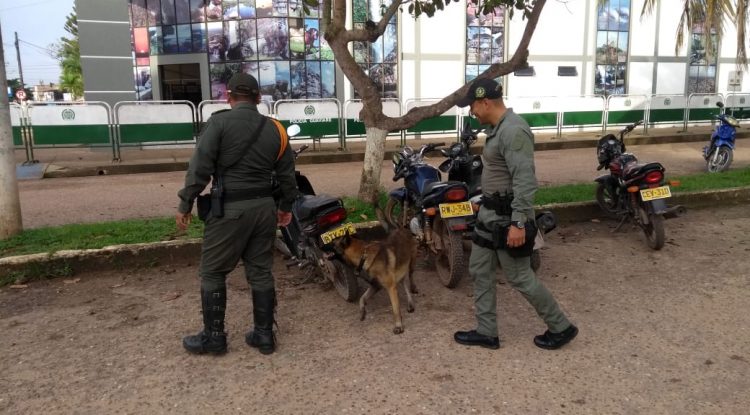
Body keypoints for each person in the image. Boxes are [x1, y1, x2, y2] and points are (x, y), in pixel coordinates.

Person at [176, 73, 299, 356]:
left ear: (228, 97)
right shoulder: (276, 129)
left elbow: (199, 170)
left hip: (229, 210)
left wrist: (185, 204)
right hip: (264, 209)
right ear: (258, 98)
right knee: (260, 271)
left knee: (212, 271)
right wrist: (285, 207)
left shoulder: (218, 124)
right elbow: (287, 176)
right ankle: (264, 336)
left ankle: (214, 338)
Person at [453, 78, 578, 350]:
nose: (471, 111)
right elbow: (499, 175)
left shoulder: (513, 131)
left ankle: (561, 327)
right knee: (479, 269)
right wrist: (482, 202)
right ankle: (487, 331)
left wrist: (519, 222)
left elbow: (525, 180)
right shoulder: (497, 130)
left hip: (508, 219)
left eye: (472, 106)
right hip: (489, 216)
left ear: (485, 102)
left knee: (520, 276)